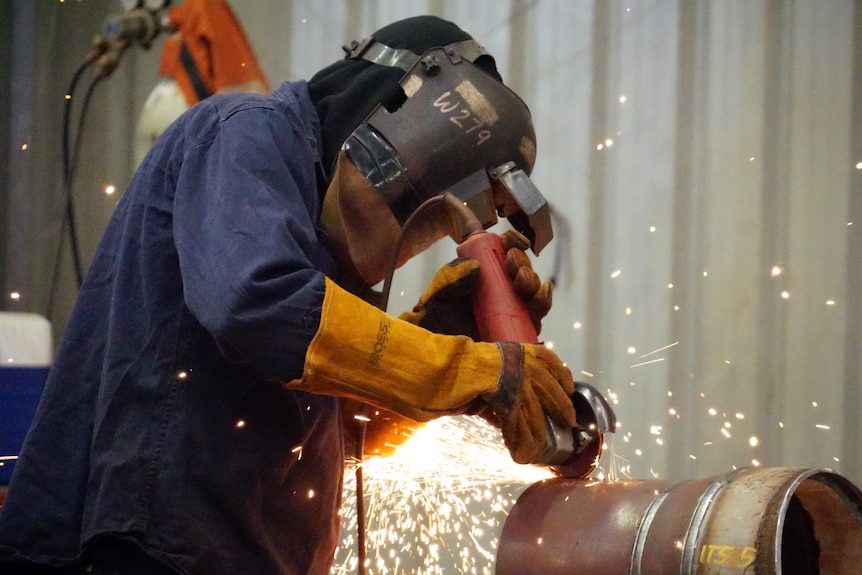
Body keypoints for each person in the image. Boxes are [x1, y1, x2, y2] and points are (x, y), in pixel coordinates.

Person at [0, 15, 577, 575]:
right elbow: (257, 304)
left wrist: (442, 336)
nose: (395, 252)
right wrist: (462, 369)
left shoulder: (315, 247)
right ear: (380, 119)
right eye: (403, 210)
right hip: (141, 549)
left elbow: (349, 429)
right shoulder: (245, 132)